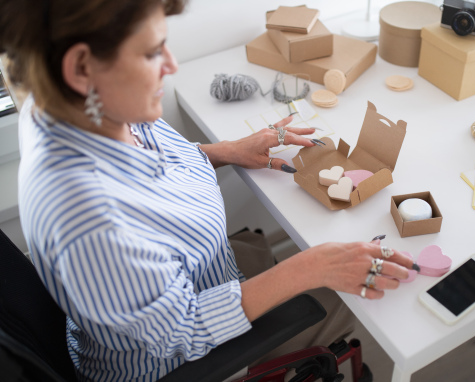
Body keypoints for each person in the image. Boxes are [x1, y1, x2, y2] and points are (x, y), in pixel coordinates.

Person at [0, 0, 416, 381]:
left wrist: (228, 151)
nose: (171, 63)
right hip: (180, 361)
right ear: (81, 68)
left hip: (201, 276)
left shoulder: (76, 106)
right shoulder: (88, 218)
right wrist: (312, 267)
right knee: (356, 302)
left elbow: (152, 166)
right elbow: (182, 331)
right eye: (151, 53)